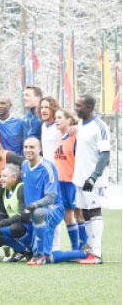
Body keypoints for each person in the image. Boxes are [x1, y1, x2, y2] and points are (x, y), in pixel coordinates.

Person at [73, 95, 111, 264]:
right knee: (85, 213)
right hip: (80, 178)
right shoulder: (80, 125)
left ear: (89, 107)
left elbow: (105, 154)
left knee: (95, 211)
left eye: (79, 106)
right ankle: (91, 251)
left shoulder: (100, 127)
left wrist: (94, 177)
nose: (76, 108)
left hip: (94, 179)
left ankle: (97, 254)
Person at [21, 137, 64, 265]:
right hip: (34, 209)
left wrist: (32, 206)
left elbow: (51, 198)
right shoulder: (24, 165)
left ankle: (41, 255)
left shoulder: (47, 167)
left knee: (38, 214)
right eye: (26, 147)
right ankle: (31, 252)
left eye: (32, 147)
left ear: (40, 149)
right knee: (13, 228)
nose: (28, 150)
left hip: (53, 208)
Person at [53, 108, 86, 252]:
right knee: (68, 216)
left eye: (60, 117)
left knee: (79, 214)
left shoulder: (76, 135)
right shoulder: (60, 137)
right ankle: (75, 248)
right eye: (56, 118)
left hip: (72, 182)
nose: (56, 120)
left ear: (68, 120)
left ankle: (84, 247)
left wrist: (78, 127)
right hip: (61, 182)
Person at [39, 97, 60, 163]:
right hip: (47, 168)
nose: (43, 110)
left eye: (46, 107)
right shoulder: (43, 126)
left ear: (53, 109)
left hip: (58, 168)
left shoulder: (59, 126)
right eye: (41, 107)